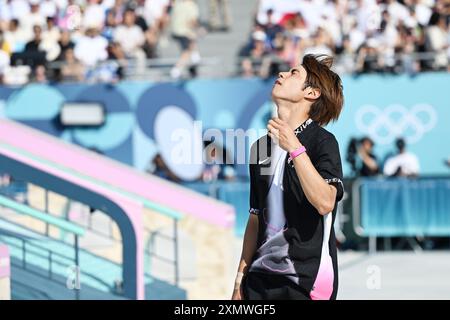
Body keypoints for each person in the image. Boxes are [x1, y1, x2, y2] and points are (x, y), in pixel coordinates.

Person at [233, 54, 344, 300]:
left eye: (294, 73)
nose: (282, 74)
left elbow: (325, 202)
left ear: (312, 93)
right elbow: (254, 219)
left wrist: (294, 148)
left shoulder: (323, 142)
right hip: (258, 281)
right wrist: (239, 281)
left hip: (305, 281)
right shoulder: (260, 148)